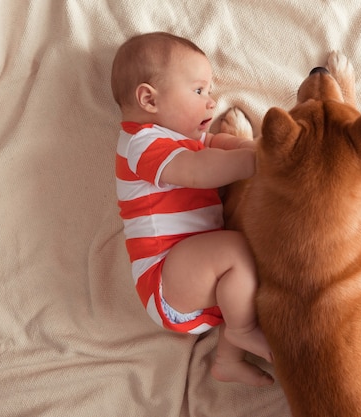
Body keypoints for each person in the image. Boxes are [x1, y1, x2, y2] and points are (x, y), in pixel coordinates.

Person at [111, 32, 273, 386]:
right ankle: (243, 331)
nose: (211, 103)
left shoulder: (184, 138)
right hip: (165, 276)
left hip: (197, 280)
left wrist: (252, 149)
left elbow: (216, 145)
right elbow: (200, 171)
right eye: (199, 91)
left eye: (210, 92)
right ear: (148, 99)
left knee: (242, 268)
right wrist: (254, 164)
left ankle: (228, 360)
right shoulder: (141, 144)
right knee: (235, 249)